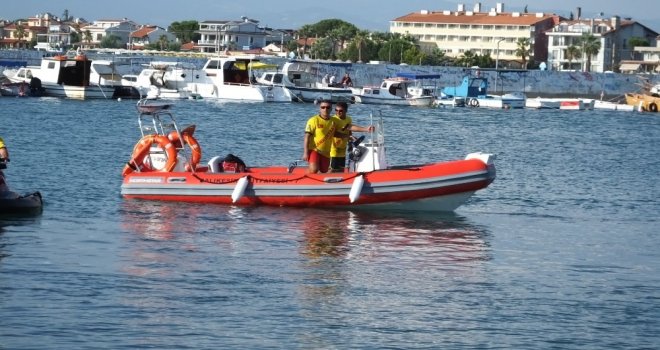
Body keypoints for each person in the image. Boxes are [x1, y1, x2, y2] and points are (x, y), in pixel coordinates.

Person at [329, 102, 374, 172]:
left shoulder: (348, 119)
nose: (338, 112)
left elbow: (350, 128)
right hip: (333, 149)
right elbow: (334, 134)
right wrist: (348, 136)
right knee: (333, 170)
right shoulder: (333, 120)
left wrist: (365, 129)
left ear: (346, 111)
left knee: (341, 170)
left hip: (342, 149)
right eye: (336, 110)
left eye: (340, 111)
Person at [303, 100, 339, 173]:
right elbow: (307, 137)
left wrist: (349, 136)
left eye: (328, 107)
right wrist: (305, 152)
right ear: (320, 109)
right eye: (323, 107)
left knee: (324, 170)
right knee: (314, 170)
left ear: (331, 109)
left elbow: (341, 131)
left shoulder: (334, 121)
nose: (325, 109)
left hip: (326, 152)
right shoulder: (313, 120)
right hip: (314, 149)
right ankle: (304, 175)